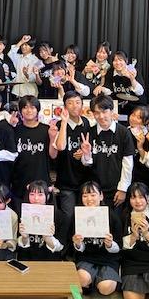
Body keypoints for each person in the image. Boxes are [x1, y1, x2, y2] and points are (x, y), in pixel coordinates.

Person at [82, 94, 135, 209]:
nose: (101, 116)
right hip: (95, 191)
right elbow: (87, 163)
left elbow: (128, 163)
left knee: (115, 219)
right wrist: (86, 154)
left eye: (104, 111)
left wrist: (123, 189)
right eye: (97, 113)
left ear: (111, 111)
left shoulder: (123, 132)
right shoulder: (90, 133)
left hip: (117, 189)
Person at [54, 91, 92, 244]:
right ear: (65, 106)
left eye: (77, 102)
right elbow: (61, 147)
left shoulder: (87, 123)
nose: (74, 106)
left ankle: (79, 248)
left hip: (85, 180)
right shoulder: (59, 124)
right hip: (66, 181)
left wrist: (83, 153)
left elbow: (89, 150)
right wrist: (63, 123)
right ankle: (63, 248)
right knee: (68, 216)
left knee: (83, 217)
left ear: (82, 104)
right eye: (70, 103)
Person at [72, 181, 122, 295]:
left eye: (93, 195)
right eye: (85, 196)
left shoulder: (112, 216)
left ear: (101, 196)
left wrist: (110, 244)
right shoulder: (78, 216)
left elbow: (119, 246)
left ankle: (98, 281)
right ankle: (91, 282)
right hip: (86, 257)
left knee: (105, 288)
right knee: (82, 279)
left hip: (108, 259)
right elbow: (77, 248)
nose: (89, 199)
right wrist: (78, 243)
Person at [10, 95, 58, 212]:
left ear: (37, 110)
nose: (29, 110)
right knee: (21, 217)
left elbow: (53, 155)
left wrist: (52, 138)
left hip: (41, 183)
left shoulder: (46, 130)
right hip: (19, 183)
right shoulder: (15, 130)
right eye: (25, 107)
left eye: (32, 107)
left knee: (42, 218)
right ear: (20, 111)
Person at [17, 180, 63, 261]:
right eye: (32, 194)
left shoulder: (58, 215)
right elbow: (21, 247)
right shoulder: (23, 213)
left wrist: (48, 238)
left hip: (49, 260)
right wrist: (24, 237)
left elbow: (60, 248)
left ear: (47, 196)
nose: (36, 198)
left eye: (40, 194)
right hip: (27, 258)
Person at [96, 50, 147, 120]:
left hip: (136, 105)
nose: (118, 63)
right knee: (114, 118)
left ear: (126, 61)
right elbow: (109, 91)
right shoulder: (110, 72)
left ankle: (126, 120)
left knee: (135, 119)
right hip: (119, 106)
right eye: (115, 60)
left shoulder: (133, 71)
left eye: (120, 60)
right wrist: (101, 88)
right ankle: (123, 120)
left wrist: (132, 79)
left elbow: (140, 92)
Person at [128, 105, 149, 186]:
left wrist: (140, 147)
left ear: (146, 121)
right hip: (128, 172)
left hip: (143, 175)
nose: (133, 118)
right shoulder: (125, 132)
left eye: (138, 117)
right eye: (133, 115)